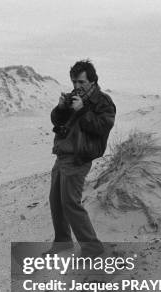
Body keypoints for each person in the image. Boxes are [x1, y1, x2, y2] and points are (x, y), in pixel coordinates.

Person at [49, 60, 116, 257]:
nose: (76, 86)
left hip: (79, 157)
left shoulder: (103, 102)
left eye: (81, 82)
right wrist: (61, 108)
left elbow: (102, 127)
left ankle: (92, 248)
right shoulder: (75, 97)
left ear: (93, 81)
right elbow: (57, 121)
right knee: (56, 201)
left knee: (70, 203)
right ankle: (62, 243)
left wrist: (83, 111)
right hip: (62, 154)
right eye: (74, 82)